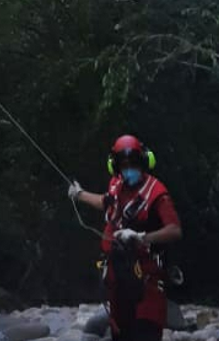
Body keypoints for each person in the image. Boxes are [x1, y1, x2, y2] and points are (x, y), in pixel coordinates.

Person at [68, 135, 183, 341]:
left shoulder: (157, 193)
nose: (129, 168)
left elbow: (174, 230)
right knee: (120, 332)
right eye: (124, 164)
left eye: (134, 163)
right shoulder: (117, 185)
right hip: (118, 278)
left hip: (147, 279)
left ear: (144, 162)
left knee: (145, 330)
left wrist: (142, 237)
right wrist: (80, 194)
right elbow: (105, 202)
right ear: (116, 166)